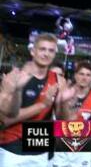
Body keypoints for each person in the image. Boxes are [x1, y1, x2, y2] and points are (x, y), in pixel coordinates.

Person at [0, 33, 69, 166]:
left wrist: (64, 102)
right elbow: (3, 120)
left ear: (55, 54)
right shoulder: (15, 77)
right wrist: (41, 105)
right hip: (11, 148)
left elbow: (62, 119)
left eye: (51, 50)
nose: (46, 54)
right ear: (32, 51)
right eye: (42, 49)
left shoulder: (59, 81)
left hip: (40, 149)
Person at [50, 61, 91, 167]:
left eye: (88, 75)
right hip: (59, 147)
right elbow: (60, 119)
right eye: (81, 74)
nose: (84, 78)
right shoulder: (62, 94)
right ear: (75, 75)